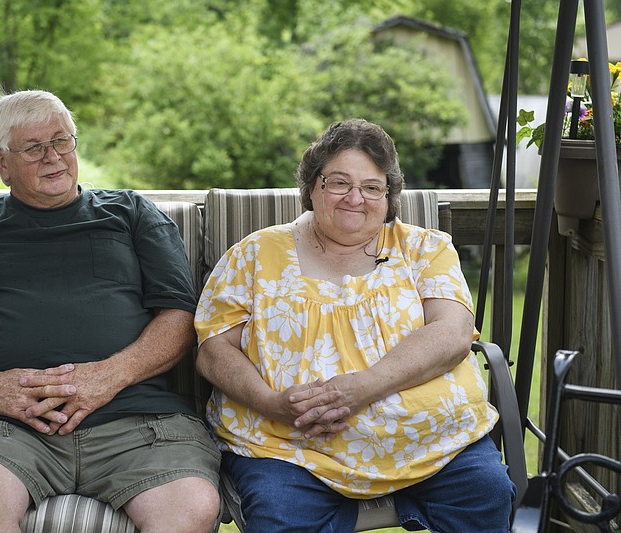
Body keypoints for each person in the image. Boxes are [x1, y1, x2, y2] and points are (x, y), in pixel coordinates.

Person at [0, 90, 220, 533]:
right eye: (34, 148)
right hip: (5, 427)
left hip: (136, 421)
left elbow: (179, 316)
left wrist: (108, 376)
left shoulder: (131, 213)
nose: (53, 157)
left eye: (63, 141)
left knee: (189, 509)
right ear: (2, 164)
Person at [194, 119, 516, 533]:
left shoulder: (425, 249)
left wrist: (365, 387)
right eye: (339, 182)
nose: (355, 198)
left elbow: (452, 334)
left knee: (487, 495)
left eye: (371, 187)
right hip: (291, 447)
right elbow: (214, 350)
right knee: (280, 516)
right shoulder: (255, 254)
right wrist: (273, 404)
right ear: (313, 187)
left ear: (388, 196)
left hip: (435, 442)